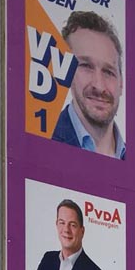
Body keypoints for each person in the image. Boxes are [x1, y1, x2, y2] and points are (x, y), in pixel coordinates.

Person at [52, 10, 126, 159]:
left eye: (108, 72)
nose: (99, 86)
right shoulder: (44, 142)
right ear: (66, 72)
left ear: (121, 83)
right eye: (86, 66)